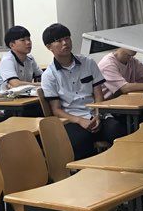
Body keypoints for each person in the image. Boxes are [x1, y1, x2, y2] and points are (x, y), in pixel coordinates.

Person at [40, 23, 125, 159]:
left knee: (117, 130)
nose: (65, 43)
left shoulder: (88, 63)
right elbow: (56, 110)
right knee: (80, 140)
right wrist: (80, 120)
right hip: (72, 119)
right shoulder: (49, 75)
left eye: (67, 38)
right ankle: (86, 170)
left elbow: (98, 95)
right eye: (59, 41)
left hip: (96, 114)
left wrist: (98, 115)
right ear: (49, 47)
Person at [0, 26, 43, 94]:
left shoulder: (30, 59)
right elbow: (16, 84)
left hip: (22, 95)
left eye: (29, 39)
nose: (28, 42)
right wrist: (39, 84)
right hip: (3, 98)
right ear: (12, 45)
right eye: (23, 40)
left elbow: (42, 78)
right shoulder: (7, 60)